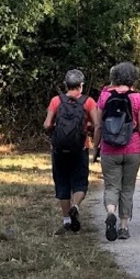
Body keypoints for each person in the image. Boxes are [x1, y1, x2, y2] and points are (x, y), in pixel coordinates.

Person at [93, 61, 140, 241]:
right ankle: (124, 226)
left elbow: (98, 125)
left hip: (109, 148)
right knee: (127, 188)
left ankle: (111, 212)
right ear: (133, 77)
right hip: (133, 148)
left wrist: (95, 147)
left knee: (111, 186)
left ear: (114, 76)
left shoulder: (104, 96)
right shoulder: (138, 98)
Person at [43, 69, 98, 235]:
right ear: (81, 85)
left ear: (66, 84)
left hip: (59, 149)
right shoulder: (88, 102)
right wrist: (90, 132)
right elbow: (97, 125)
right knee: (80, 182)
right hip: (80, 148)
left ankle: (66, 220)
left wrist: (55, 131)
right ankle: (75, 206)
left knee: (62, 182)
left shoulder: (56, 101)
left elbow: (47, 124)